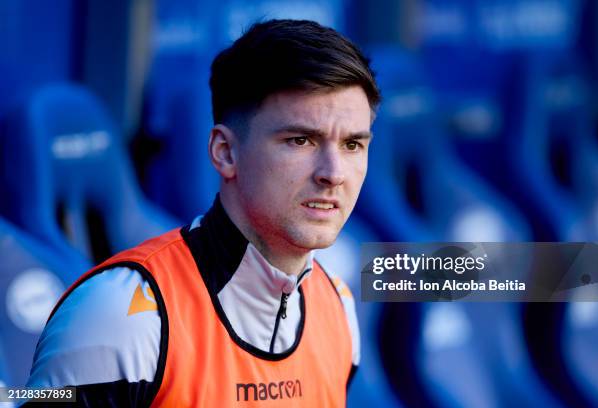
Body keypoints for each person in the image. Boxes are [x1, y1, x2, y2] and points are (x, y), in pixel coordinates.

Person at [25, 19, 381, 406]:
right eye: (300, 140)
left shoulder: (338, 302)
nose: (333, 173)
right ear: (225, 152)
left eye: (352, 145)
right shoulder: (119, 316)